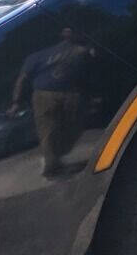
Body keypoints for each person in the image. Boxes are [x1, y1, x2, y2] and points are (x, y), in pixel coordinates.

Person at [9, 27, 94, 176]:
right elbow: (22, 79)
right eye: (64, 32)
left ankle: (57, 156)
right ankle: (51, 166)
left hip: (72, 93)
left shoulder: (79, 49)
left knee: (74, 125)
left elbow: (91, 63)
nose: (66, 35)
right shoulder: (36, 56)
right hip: (44, 94)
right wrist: (16, 102)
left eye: (69, 31)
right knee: (48, 129)